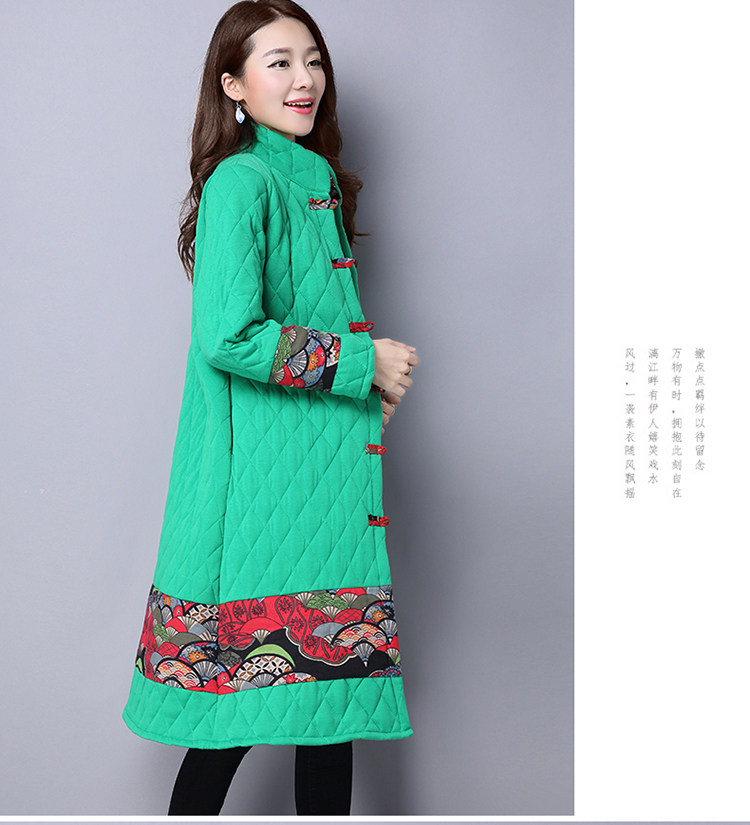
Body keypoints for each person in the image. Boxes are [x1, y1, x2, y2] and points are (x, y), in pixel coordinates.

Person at [120, 0, 418, 815]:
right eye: (279, 61)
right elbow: (228, 335)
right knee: (232, 718)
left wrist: (363, 402)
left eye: (313, 59)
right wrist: (362, 362)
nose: (304, 78)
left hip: (316, 482)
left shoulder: (310, 178)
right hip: (260, 496)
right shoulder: (242, 181)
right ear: (234, 85)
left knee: (327, 714)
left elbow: (301, 328)